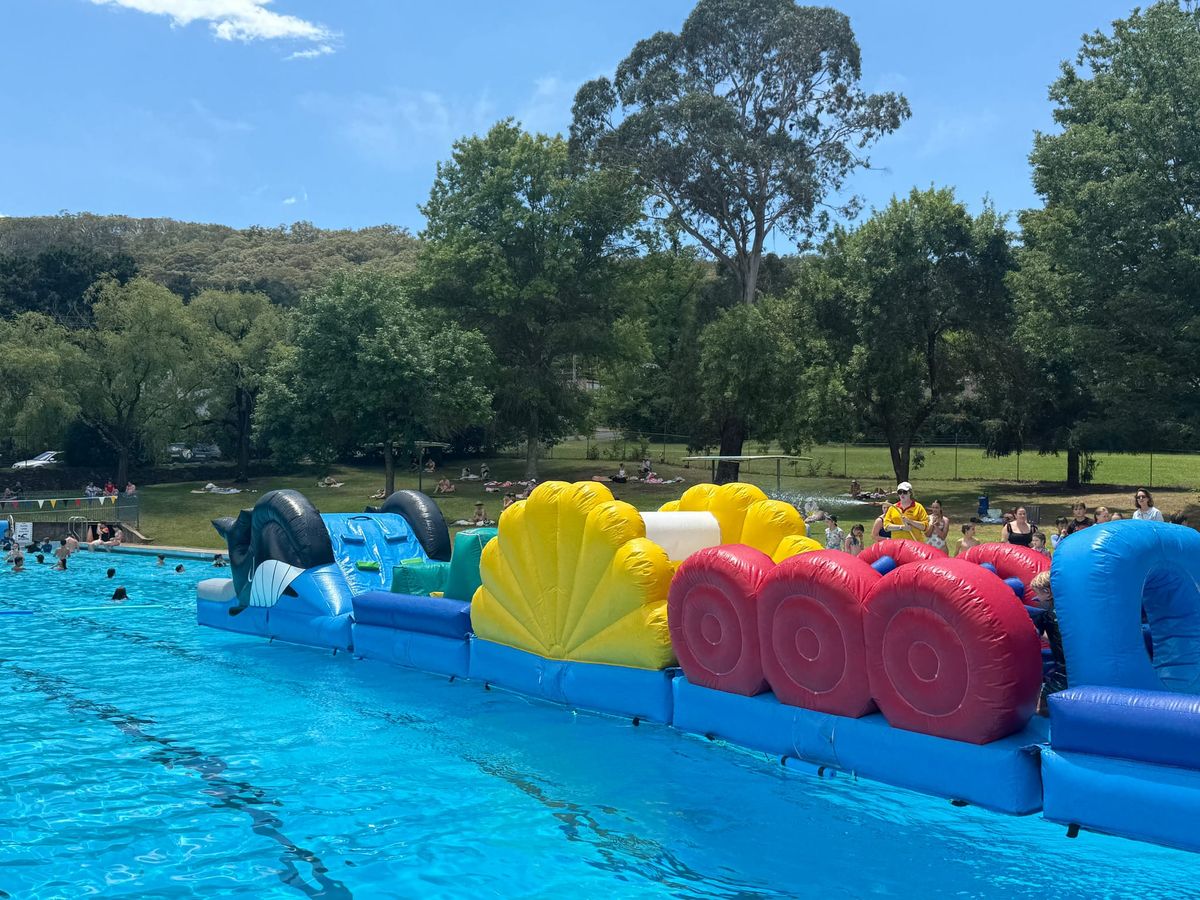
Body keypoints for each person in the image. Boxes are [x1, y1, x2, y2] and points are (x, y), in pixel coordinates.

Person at [1030, 570, 1067, 715]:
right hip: (1073, 662)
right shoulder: (1066, 609)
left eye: (1037, 593)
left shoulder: (1046, 615)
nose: (1036, 598)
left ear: (1047, 593)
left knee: (1040, 708)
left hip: (1063, 669)